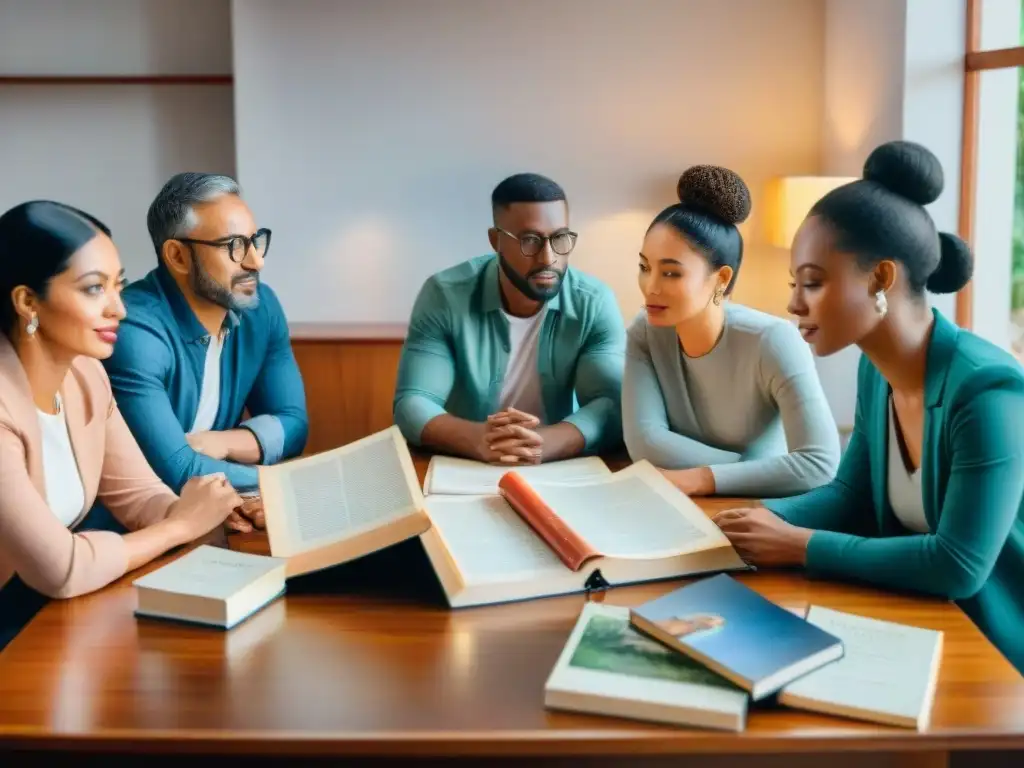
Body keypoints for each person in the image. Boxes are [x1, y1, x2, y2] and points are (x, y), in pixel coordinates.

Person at [713, 140, 1024, 674]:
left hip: (992, 654)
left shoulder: (988, 392)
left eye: (812, 282)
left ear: (881, 278)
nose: (793, 304)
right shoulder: (876, 369)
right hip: (916, 624)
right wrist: (751, 523)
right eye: (796, 284)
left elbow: (958, 565)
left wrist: (800, 544)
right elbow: (850, 494)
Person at [0, 201, 241, 650]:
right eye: (94, 289)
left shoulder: (86, 375)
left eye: (119, 286)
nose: (120, 310)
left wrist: (216, 511)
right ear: (27, 301)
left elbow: (139, 495)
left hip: (47, 612)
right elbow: (62, 568)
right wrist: (179, 527)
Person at [103, 173, 308, 531]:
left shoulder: (261, 308)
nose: (256, 262)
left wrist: (223, 443)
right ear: (178, 256)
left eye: (256, 241)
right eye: (234, 245)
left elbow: (294, 424)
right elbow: (178, 469)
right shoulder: (135, 331)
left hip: (210, 522)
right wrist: (290, 486)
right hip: (125, 535)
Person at [622, 165, 840, 498]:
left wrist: (703, 478)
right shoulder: (645, 331)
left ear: (721, 279)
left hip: (767, 508)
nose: (650, 287)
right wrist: (753, 465)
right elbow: (644, 442)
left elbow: (820, 464)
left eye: (671, 274)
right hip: (689, 499)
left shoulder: (774, 340)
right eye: (644, 267)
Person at [393, 173, 625, 464]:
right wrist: (479, 439)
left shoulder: (594, 302)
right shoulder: (445, 296)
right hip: (467, 466)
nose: (547, 258)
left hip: (561, 466)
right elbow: (413, 403)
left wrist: (547, 443)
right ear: (496, 240)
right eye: (530, 240)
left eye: (560, 238)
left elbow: (612, 403)